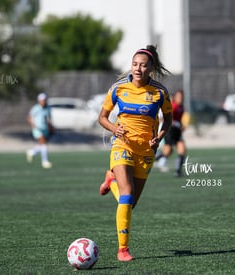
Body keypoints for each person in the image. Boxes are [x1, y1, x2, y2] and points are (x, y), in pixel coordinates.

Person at [98, 45, 172, 261]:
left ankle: (110, 179)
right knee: (127, 194)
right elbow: (102, 117)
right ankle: (123, 249)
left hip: (146, 151)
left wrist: (159, 136)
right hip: (122, 145)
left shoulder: (159, 92)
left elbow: (168, 119)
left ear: (151, 68)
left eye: (143, 65)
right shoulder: (118, 88)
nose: (138, 68)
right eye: (134, 64)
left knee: (130, 203)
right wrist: (114, 128)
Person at [155, 89, 188, 177]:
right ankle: (151, 158)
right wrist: (175, 123)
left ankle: (178, 171)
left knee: (182, 149)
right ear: (175, 98)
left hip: (177, 131)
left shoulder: (181, 107)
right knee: (168, 151)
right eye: (179, 97)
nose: (180, 99)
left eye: (182, 97)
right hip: (170, 130)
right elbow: (168, 119)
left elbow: (178, 120)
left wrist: (181, 126)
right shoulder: (173, 106)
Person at [26, 92, 53, 169]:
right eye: (42, 100)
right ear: (39, 101)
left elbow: (49, 118)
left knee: (42, 145)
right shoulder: (36, 108)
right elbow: (29, 117)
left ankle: (31, 152)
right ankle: (44, 161)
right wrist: (33, 125)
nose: (43, 101)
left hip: (45, 128)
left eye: (44, 100)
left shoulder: (48, 108)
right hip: (37, 129)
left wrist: (50, 126)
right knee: (43, 143)